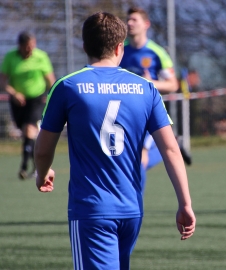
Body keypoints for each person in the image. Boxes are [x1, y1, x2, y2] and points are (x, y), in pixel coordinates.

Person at [34, 12, 196, 270]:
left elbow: (43, 150)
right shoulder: (146, 88)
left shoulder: (67, 86)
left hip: (92, 210)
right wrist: (185, 203)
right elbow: (171, 150)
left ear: (85, 46)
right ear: (120, 47)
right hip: (131, 210)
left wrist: (43, 173)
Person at [119, 7, 192, 193]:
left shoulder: (156, 52)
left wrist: (150, 83)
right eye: (128, 20)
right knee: (127, 159)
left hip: (147, 112)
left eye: (134, 20)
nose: (130, 23)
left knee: (140, 161)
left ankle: (135, 206)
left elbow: (173, 84)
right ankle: (172, 144)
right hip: (123, 113)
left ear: (146, 24)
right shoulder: (120, 51)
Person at [0, 31, 55, 179]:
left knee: (30, 129)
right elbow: (3, 81)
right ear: (20, 46)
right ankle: (35, 165)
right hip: (17, 101)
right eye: (27, 47)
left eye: (33, 46)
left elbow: (50, 80)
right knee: (25, 132)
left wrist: (54, 98)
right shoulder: (11, 57)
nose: (30, 49)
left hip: (36, 99)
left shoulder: (41, 57)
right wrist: (14, 93)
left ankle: (24, 167)